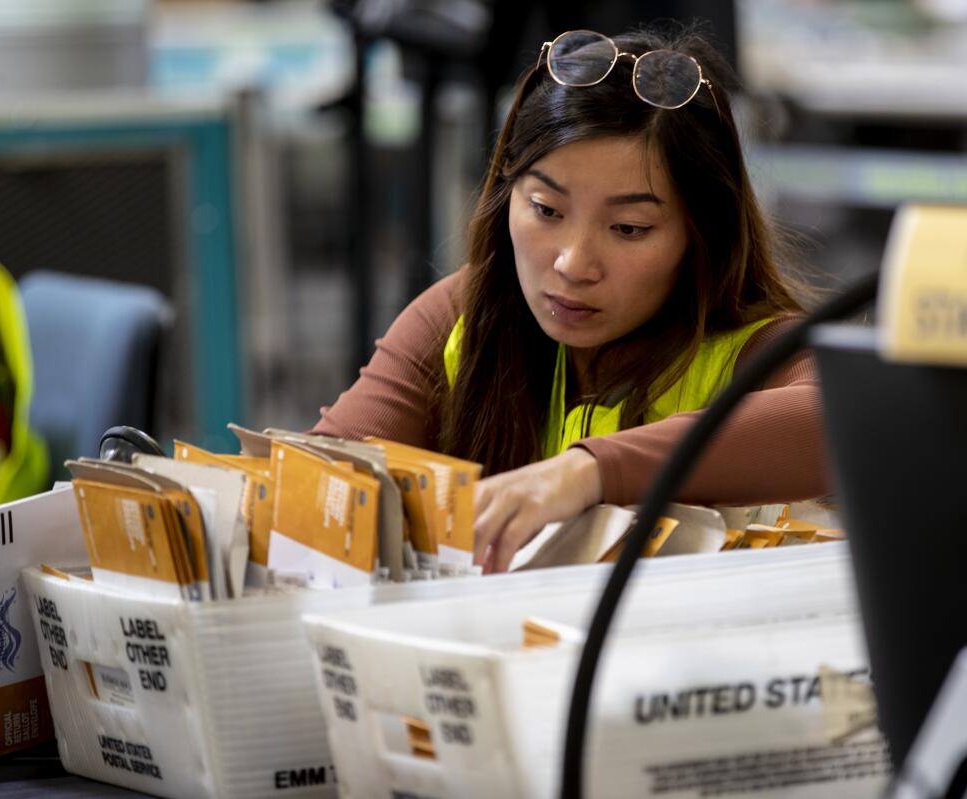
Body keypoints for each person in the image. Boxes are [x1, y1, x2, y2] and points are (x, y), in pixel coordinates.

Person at [314, 25, 827, 572]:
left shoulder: (754, 351)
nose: (573, 264)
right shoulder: (465, 313)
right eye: (546, 210)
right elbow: (319, 477)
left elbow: (832, 416)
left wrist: (588, 471)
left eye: (629, 228)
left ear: (703, 236)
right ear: (505, 193)